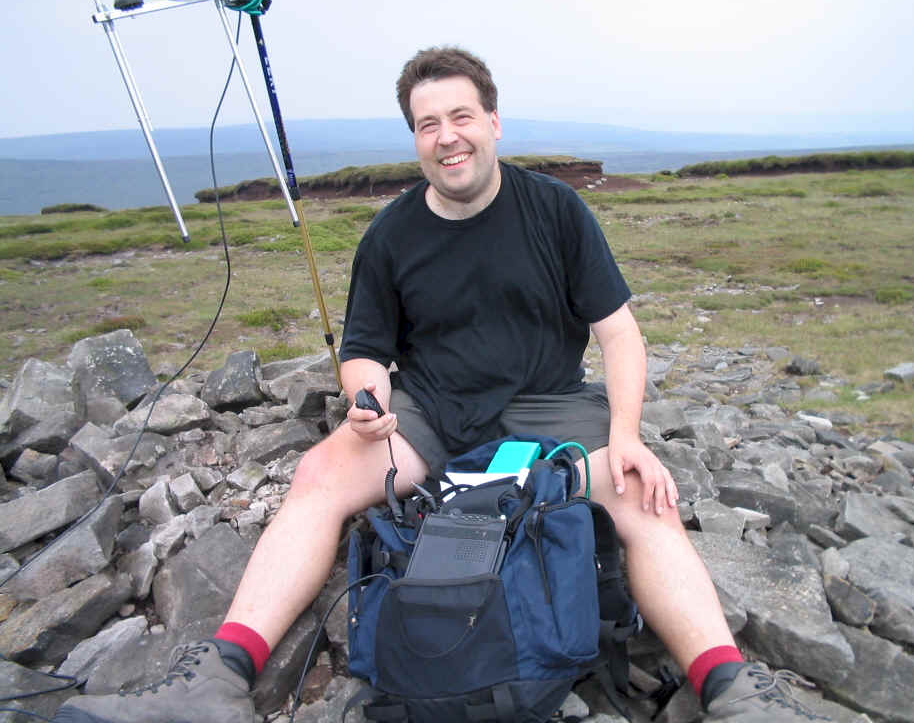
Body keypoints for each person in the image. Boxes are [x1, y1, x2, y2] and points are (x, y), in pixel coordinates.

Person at [56, 47, 830, 723]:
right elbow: (363, 351)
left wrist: (625, 436)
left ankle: (735, 692)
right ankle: (220, 679)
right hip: (427, 412)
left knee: (639, 492)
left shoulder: (555, 211)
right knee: (321, 472)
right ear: (416, 140)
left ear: (494, 122)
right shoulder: (391, 235)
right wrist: (367, 402)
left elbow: (619, 333)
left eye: (461, 116)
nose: (447, 136)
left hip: (547, 407)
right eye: (428, 124)